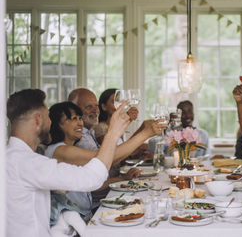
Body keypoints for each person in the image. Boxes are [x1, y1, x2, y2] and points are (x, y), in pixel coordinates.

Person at [6, 89, 130, 237]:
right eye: (48, 117)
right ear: (38, 120)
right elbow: (92, 178)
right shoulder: (27, 163)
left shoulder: (10, 156)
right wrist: (113, 133)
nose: (50, 122)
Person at [45, 102, 143, 226]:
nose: (80, 123)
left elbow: (92, 183)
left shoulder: (66, 149)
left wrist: (123, 178)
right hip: (69, 224)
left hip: (84, 216)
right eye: (74, 119)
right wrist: (145, 134)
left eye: (80, 118)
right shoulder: (60, 151)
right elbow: (107, 159)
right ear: (57, 124)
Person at [97, 88, 152, 159]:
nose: (121, 105)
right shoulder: (101, 128)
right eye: (115, 102)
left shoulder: (116, 126)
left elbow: (124, 151)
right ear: (104, 106)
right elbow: (117, 156)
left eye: (122, 101)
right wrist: (142, 129)